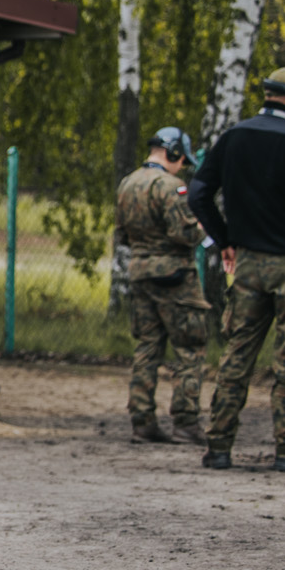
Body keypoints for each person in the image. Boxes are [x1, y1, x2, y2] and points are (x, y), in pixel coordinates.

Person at [187, 68, 285, 472]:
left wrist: (225, 239)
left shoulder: (233, 136)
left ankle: (218, 446)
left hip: (248, 263)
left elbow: (199, 194)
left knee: (236, 356)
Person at [116, 126, 209, 447]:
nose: (181, 165)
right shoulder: (171, 187)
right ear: (172, 153)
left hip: (140, 273)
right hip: (175, 276)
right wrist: (202, 226)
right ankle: (185, 421)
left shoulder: (127, 183)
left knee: (147, 347)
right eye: (181, 159)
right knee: (189, 348)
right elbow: (185, 234)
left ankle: (142, 421)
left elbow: (122, 235)